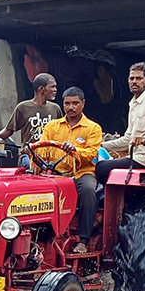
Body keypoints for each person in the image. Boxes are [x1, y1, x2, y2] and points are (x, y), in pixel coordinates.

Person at [34, 87, 103, 253]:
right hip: (55, 173)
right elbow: (43, 149)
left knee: (87, 190)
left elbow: (90, 154)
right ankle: (41, 236)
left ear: (83, 104)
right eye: (67, 104)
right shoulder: (52, 127)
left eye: (75, 103)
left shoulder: (93, 128)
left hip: (81, 172)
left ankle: (83, 240)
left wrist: (74, 151)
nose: (71, 107)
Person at [94, 62, 145, 194]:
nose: (134, 81)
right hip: (136, 156)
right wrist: (100, 145)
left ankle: (121, 198)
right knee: (96, 163)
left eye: (139, 78)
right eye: (132, 78)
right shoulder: (133, 104)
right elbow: (128, 139)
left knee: (102, 168)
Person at [0, 72, 63, 166]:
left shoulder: (55, 108)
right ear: (41, 89)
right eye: (52, 87)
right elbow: (8, 131)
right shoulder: (23, 107)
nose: (55, 90)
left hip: (50, 156)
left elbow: (62, 132)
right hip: (29, 155)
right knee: (29, 166)